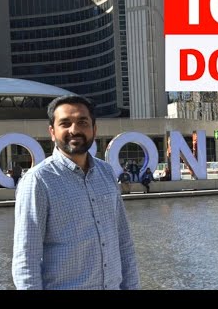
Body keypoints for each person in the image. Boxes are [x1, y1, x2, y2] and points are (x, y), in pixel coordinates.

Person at [12, 94, 140, 290]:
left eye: (82, 122)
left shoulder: (106, 172)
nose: (75, 130)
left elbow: (123, 242)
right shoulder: (38, 181)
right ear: (52, 132)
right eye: (65, 123)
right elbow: (26, 259)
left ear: (94, 129)